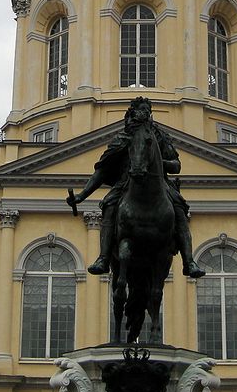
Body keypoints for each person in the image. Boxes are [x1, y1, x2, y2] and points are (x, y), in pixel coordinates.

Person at [67, 97, 206, 278]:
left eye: (147, 109)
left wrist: (156, 161)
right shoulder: (123, 138)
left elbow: (176, 165)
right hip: (126, 183)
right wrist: (81, 195)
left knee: (179, 208)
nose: (145, 112)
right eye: (141, 109)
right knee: (109, 206)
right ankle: (103, 258)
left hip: (160, 183)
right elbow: (102, 170)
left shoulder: (160, 136)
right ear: (133, 112)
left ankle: (189, 261)